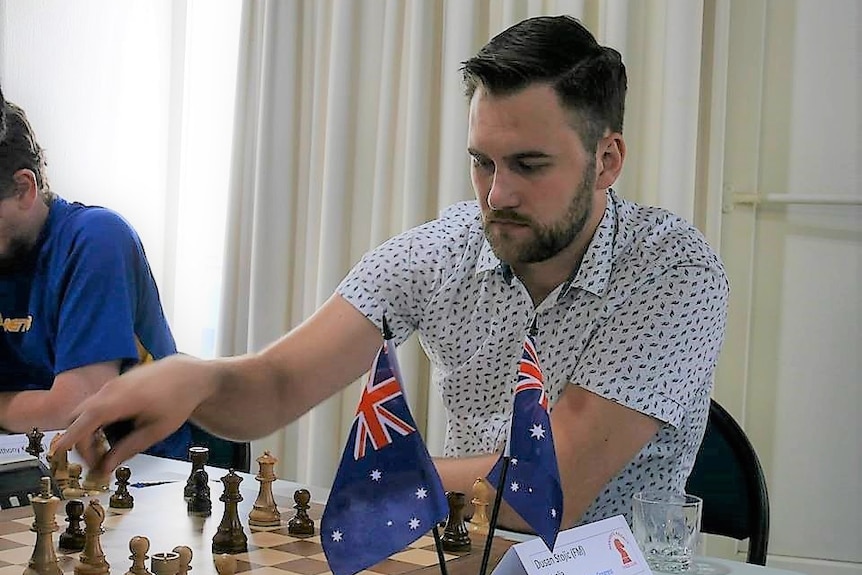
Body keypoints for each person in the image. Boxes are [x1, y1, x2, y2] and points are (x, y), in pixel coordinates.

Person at [57, 15, 728, 529]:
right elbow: (277, 383)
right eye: (482, 162)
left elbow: (542, 492)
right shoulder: (443, 249)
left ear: (606, 160)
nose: (496, 196)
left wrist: (379, 483)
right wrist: (196, 379)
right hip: (462, 550)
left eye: (529, 165)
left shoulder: (673, 269)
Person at [0, 89, 192, 459]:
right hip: (33, 468)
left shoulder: (96, 240)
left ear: (24, 188)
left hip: (136, 477)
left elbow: (72, 411)